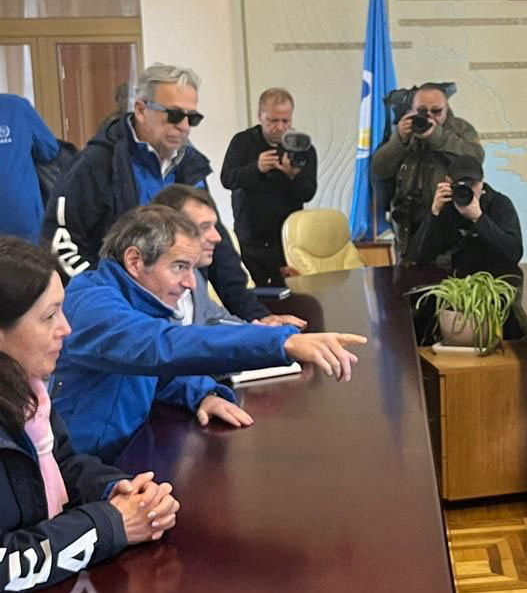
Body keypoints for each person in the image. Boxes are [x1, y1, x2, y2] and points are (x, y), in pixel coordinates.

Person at [53, 205, 366, 462]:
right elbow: (159, 346)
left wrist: (202, 393)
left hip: (123, 456)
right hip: (82, 474)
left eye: (193, 269)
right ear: (135, 260)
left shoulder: (139, 298)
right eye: (179, 267)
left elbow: (156, 373)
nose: (191, 283)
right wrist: (282, 341)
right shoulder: (90, 304)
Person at [0, 236, 179, 593]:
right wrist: (110, 524)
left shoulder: (28, 394)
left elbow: (63, 463)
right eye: (49, 316)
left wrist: (118, 491)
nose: (66, 328)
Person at [41, 63, 268, 322]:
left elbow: (217, 248)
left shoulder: (190, 165)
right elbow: (61, 241)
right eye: (174, 115)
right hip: (118, 315)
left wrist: (256, 316)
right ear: (141, 110)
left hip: (184, 312)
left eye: (192, 118)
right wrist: (105, 298)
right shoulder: (97, 164)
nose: (184, 126)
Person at [151, 184, 304, 327]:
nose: (217, 238)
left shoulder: (195, 276)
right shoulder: (150, 289)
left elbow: (218, 320)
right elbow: (175, 340)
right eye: (204, 227)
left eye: (214, 227)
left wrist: (269, 332)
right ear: (169, 230)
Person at [371, 83, 483, 255]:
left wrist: (435, 136)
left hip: (449, 223)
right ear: (412, 110)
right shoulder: (404, 130)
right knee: (409, 270)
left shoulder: (460, 129)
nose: (429, 116)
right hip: (409, 226)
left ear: (446, 109)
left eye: (436, 111)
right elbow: (380, 169)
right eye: (422, 111)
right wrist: (399, 140)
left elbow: (476, 158)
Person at [220, 88, 318, 286]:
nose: (280, 127)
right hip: (250, 239)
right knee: (253, 297)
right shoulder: (242, 142)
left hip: (287, 242)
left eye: (285, 121)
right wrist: (256, 168)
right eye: (273, 120)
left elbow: (308, 193)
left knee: (294, 296)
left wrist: (292, 176)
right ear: (260, 116)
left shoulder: (302, 147)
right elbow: (227, 179)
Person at [405, 155, 523, 279]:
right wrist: (434, 213)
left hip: (493, 279)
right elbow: (419, 257)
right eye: (461, 184)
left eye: (473, 184)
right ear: (448, 182)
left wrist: (479, 218)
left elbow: (514, 254)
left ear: (482, 182)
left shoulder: (499, 204)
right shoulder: (445, 205)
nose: (468, 190)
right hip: (450, 280)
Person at [0, 93, 58, 242]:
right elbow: (50, 150)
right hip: (22, 216)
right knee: (30, 256)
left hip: (20, 217)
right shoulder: (17, 106)